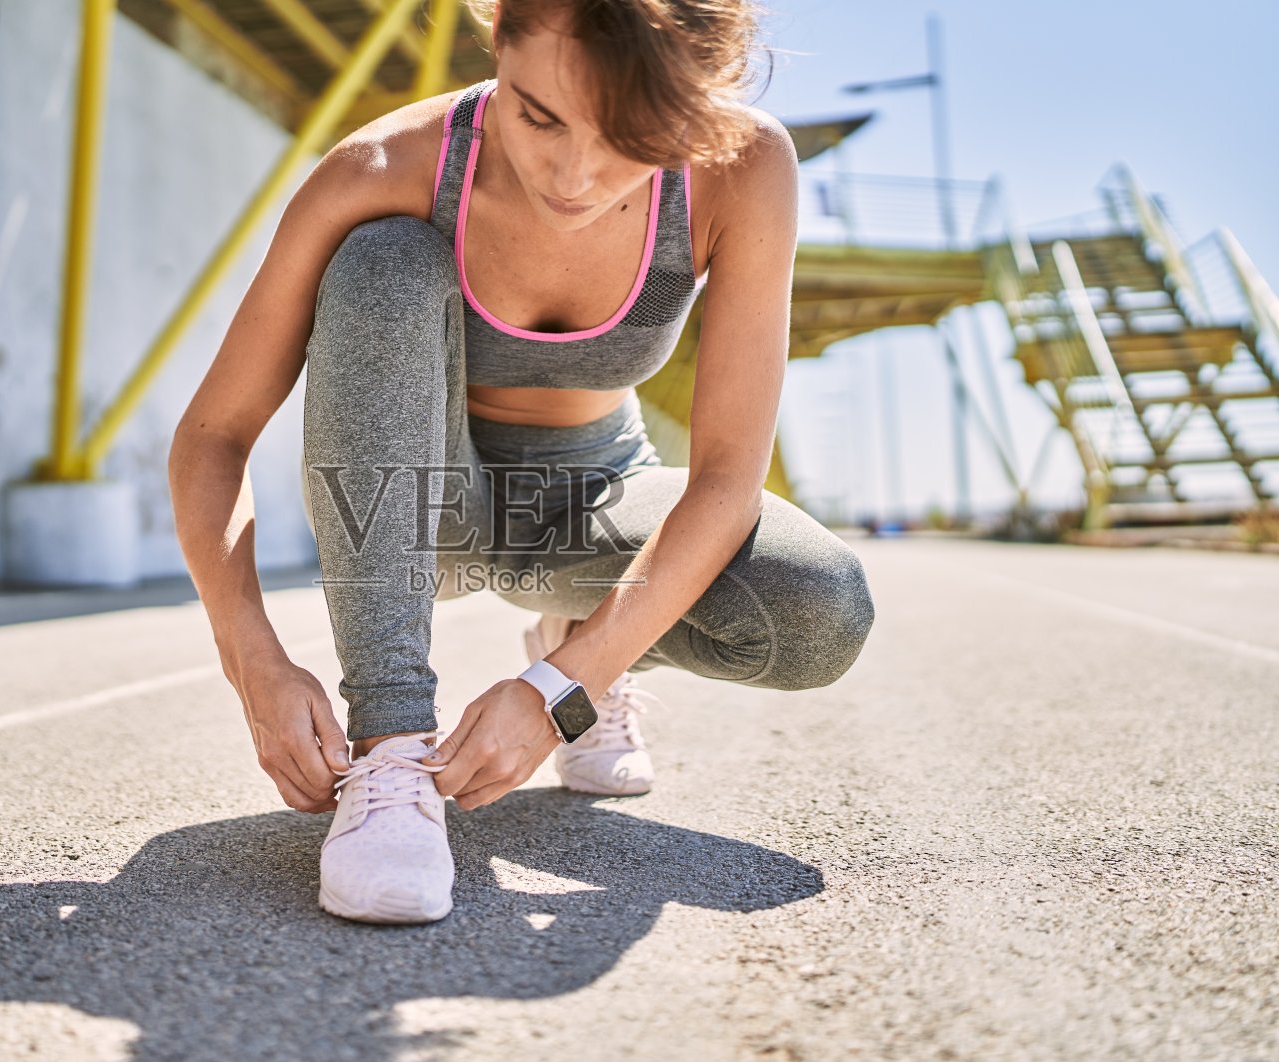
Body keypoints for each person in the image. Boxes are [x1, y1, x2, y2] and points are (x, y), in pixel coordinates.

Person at [167, 0, 876, 925]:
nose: (575, 176)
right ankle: (388, 755)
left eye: (632, 138)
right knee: (384, 259)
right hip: (423, 513)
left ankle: (576, 639)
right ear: (496, 42)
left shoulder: (743, 165)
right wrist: (251, 657)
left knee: (820, 610)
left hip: (598, 500)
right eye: (538, 115)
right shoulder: (384, 167)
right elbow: (213, 436)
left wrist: (560, 691)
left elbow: (728, 480)